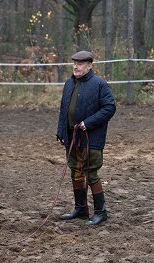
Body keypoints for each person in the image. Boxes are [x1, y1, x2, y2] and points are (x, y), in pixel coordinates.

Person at [56, 51, 116, 225]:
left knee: (91, 173)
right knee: (76, 171)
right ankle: (81, 209)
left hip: (91, 137)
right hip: (72, 137)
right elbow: (63, 110)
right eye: (74, 63)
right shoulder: (69, 84)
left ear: (89, 65)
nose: (76, 66)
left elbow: (109, 108)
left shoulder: (99, 85)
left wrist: (87, 123)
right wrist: (61, 131)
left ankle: (100, 212)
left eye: (80, 63)